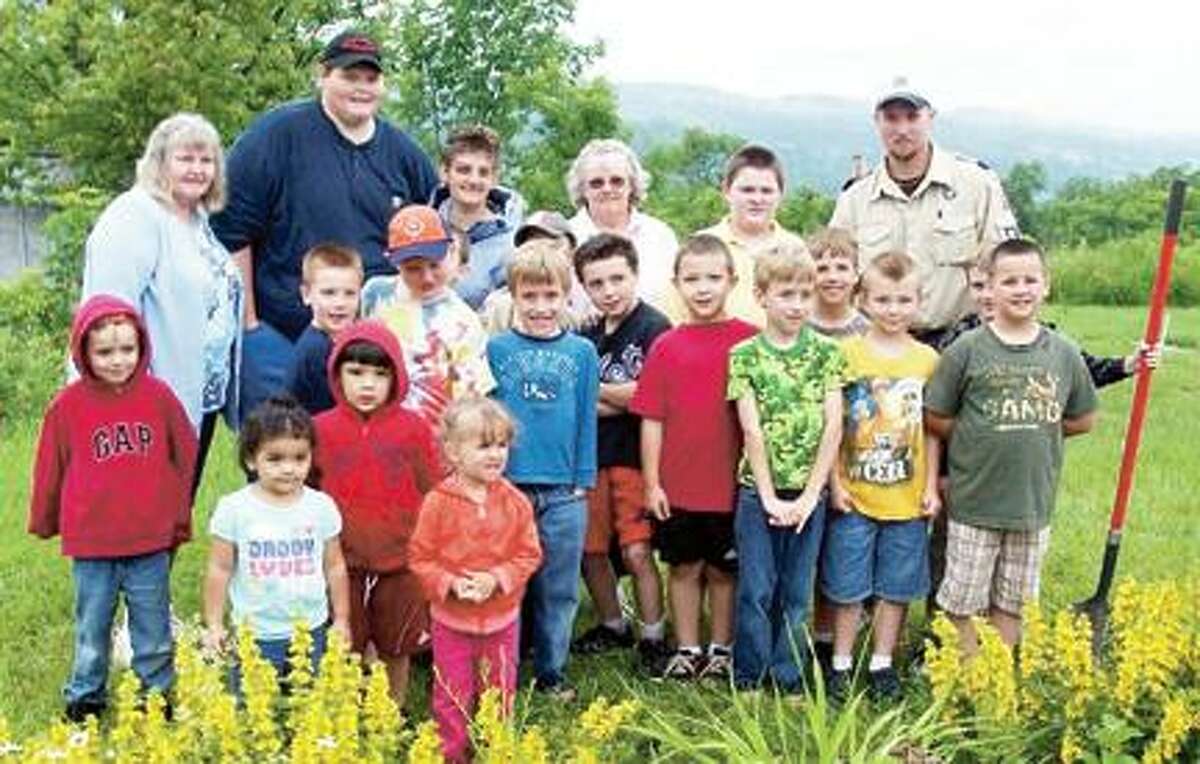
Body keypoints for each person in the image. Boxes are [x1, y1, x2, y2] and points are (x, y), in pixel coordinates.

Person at [211, 29, 438, 422]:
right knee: (280, 448)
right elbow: (231, 231)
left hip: (372, 351)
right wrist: (250, 326)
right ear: (323, 75)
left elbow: (431, 244)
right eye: (350, 76)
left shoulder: (405, 155)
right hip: (282, 337)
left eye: (371, 78)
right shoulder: (275, 137)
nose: (362, 88)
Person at [29, 295, 197, 722]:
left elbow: (184, 454)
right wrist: (45, 518)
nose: (118, 360)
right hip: (93, 543)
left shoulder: (159, 397)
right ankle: (86, 697)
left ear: (142, 346)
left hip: (148, 539)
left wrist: (178, 515)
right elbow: (49, 467)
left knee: (152, 628)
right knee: (93, 626)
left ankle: (154, 697)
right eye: (105, 352)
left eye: (128, 349)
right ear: (83, 351)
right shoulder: (67, 407)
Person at [925, 238, 1097, 651]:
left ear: (1046, 285)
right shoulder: (966, 350)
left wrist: (1032, 427)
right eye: (1009, 281)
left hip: (1031, 505)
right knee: (963, 600)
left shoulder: (1063, 353)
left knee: (1014, 601)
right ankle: (966, 674)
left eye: (1030, 280)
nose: (1021, 290)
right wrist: (979, 433)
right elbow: (935, 417)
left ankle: (999, 673)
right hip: (974, 502)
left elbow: (1082, 418)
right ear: (989, 287)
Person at [81, 112, 241, 495]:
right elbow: (109, 310)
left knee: (175, 504)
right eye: (185, 158)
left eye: (206, 160)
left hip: (196, 394)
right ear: (159, 163)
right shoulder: (134, 216)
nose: (197, 169)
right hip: (146, 396)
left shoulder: (195, 219)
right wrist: (125, 391)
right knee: (140, 505)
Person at [630, 234, 758, 681]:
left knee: (724, 571)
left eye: (713, 278)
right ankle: (687, 647)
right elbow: (652, 418)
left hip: (731, 482)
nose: (703, 288)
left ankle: (721, 648)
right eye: (692, 279)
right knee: (684, 568)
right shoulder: (667, 345)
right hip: (678, 483)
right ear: (677, 284)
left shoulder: (750, 342)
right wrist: (652, 483)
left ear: (732, 281)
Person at [821, 252, 940, 702]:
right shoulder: (845, 355)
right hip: (854, 495)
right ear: (863, 300)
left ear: (918, 302)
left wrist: (930, 486)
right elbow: (833, 427)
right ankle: (840, 663)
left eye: (904, 300)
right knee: (848, 586)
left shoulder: (927, 360)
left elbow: (932, 430)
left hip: (907, 498)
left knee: (896, 586)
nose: (893, 310)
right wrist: (835, 483)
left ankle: (882, 663)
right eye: (883, 300)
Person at [727, 244, 844, 696]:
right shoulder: (745, 355)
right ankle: (749, 675)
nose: (797, 305)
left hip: (809, 493)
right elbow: (751, 429)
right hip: (757, 492)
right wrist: (769, 496)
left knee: (797, 591)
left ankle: (789, 675)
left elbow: (833, 425)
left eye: (805, 294)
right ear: (762, 296)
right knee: (756, 589)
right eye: (786, 294)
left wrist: (811, 495)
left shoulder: (827, 353)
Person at [486, 240, 600, 700]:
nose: (540, 306)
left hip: (563, 491)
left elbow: (587, 416)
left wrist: (582, 480)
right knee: (509, 583)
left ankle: (552, 671)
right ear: (513, 296)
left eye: (550, 295)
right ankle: (503, 669)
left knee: (559, 586)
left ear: (566, 295)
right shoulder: (496, 349)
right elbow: (487, 418)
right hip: (508, 484)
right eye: (529, 296)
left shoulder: (581, 352)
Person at [829, 80, 1020, 348]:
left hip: (960, 344)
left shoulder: (977, 184)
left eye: (912, 117)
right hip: (877, 348)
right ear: (876, 122)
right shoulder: (854, 199)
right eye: (891, 118)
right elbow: (834, 278)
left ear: (930, 117)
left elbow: (1009, 265)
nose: (902, 129)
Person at [312, 321, 442, 707]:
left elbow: (432, 490)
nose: (367, 385)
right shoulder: (320, 429)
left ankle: (394, 710)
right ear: (337, 374)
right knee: (346, 644)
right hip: (342, 564)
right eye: (356, 373)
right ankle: (350, 711)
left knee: (396, 646)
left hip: (401, 563)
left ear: (396, 376)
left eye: (380, 374)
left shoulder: (413, 429)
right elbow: (309, 493)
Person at [409, 398, 543, 763]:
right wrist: (450, 583)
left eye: (501, 444)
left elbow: (529, 554)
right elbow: (421, 558)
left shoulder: (515, 502)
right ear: (453, 452)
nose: (496, 454)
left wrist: (496, 578)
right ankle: (451, 754)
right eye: (484, 445)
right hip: (451, 622)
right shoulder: (438, 502)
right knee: (452, 694)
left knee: (499, 692)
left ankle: (494, 751)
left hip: (502, 621)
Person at [569, 234, 672, 669]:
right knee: (591, 549)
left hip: (635, 458)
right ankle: (612, 624)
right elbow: (575, 397)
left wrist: (601, 391)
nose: (609, 291)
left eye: (617, 279)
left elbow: (652, 394)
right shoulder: (585, 334)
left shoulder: (654, 327)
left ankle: (653, 634)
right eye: (597, 283)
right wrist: (624, 395)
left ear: (635, 275)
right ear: (584, 287)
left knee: (636, 550)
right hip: (591, 459)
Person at [202, 395, 350, 682]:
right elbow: (219, 569)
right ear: (251, 459)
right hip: (255, 633)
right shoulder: (234, 509)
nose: (288, 468)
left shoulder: (320, 507)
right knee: (253, 701)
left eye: (299, 458)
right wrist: (215, 624)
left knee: (307, 699)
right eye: (275, 459)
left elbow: (335, 567)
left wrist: (342, 619)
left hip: (310, 629)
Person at [362, 205, 495, 426]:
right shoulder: (375, 294)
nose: (427, 277)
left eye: (435, 265)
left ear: (451, 251)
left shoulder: (464, 322)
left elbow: (471, 400)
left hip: (435, 430)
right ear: (393, 261)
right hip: (377, 423)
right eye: (413, 269)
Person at [667, 145, 808, 326]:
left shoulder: (795, 248)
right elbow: (676, 315)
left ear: (781, 194)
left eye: (766, 191)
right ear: (726, 190)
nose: (757, 199)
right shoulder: (699, 246)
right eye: (747, 190)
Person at [566, 139, 680, 310]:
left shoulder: (661, 236)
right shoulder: (565, 238)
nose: (607, 189)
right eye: (596, 183)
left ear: (632, 185)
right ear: (582, 189)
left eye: (617, 181)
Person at [430, 124, 525, 310]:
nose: (474, 180)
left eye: (483, 172)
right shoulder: (424, 227)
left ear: (494, 178)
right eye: (464, 170)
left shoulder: (512, 243)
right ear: (445, 172)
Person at [285, 244, 364, 415]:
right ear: (306, 295)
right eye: (329, 293)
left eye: (350, 293)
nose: (340, 303)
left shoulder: (339, 343)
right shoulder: (316, 350)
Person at [479, 210, 579, 336]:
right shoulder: (501, 307)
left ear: (571, 253)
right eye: (530, 245)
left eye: (551, 245)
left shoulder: (586, 294)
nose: (541, 252)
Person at [807, 227, 870, 338]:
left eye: (842, 268)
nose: (832, 277)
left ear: (856, 274)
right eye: (822, 269)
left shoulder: (868, 333)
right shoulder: (795, 324)